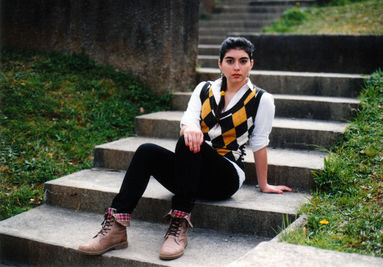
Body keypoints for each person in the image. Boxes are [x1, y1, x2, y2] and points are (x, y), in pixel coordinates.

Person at [77, 37, 292, 260]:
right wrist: (190, 127)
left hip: (224, 177)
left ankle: (178, 224)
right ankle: (116, 228)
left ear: (251, 64)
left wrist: (264, 184)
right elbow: (188, 120)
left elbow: (259, 142)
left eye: (243, 61)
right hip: (191, 172)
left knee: (189, 144)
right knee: (146, 151)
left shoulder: (261, 99)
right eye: (230, 60)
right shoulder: (204, 89)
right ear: (220, 64)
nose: (236, 67)